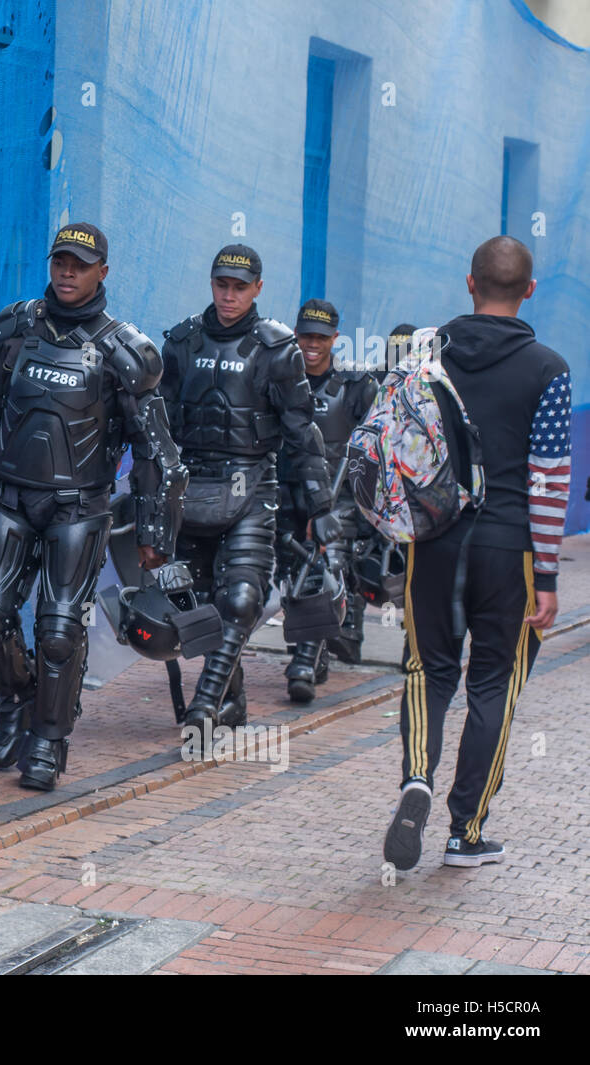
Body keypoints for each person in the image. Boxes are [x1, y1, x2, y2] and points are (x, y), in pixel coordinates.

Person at [0, 223, 186, 790]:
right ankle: (16, 700)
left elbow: (156, 455)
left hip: (79, 507)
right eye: (60, 262)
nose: (67, 273)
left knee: (57, 629)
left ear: (103, 271)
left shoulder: (127, 352)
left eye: (80, 264)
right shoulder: (16, 330)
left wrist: (155, 532)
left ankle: (50, 738)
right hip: (6, 497)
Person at [383, 235, 569, 871]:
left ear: (469, 283)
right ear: (530, 290)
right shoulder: (549, 368)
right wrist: (546, 571)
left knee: (425, 669)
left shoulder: (426, 357)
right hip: (509, 545)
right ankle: (466, 831)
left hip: (432, 537)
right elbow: (549, 479)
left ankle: (416, 778)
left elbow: (398, 445)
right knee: (494, 683)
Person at [160, 245, 341, 730]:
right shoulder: (181, 343)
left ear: (258, 288)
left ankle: (203, 706)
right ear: (211, 283)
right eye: (222, 285)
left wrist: (320, 505)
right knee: (190, 608)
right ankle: (231, 697)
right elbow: (154, 428)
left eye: (240, 287)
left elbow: (303, 433)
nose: (229, 295)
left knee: (240, 598)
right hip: (190, 488)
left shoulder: (277, 349)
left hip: (252, 488)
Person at [275, 299, 379, 701]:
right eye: (305, 336)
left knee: (325, 567)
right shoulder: (281, 379)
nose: (312, 345)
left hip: (336, 503)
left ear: (335, 339)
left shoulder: (355, 387)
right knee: (283, 576)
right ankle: (313, 648)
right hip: (284, 494)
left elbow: (374, 448)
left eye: (321, 337)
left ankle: (303, 659)